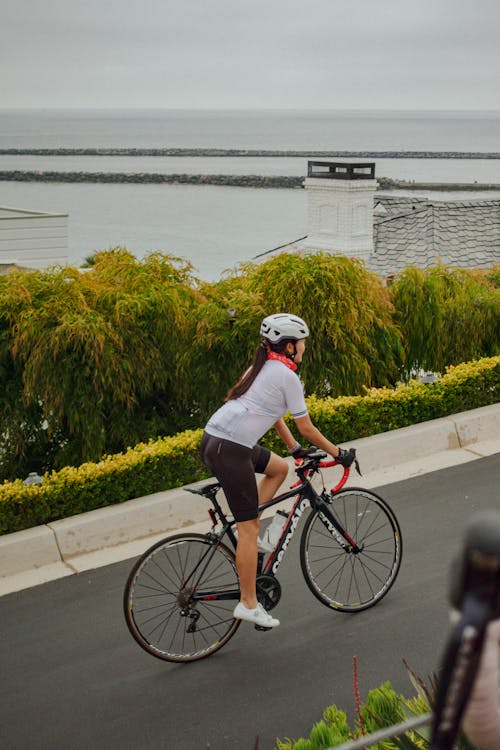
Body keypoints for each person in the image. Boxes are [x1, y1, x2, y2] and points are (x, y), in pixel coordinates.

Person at [200, 313, 356, 629]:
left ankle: (253, 531)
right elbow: (307, 427)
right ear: (288, 346)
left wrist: (293, 449)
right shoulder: (286, 377)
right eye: (301, 343)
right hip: (230, 448)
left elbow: (273, 414)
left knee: (279, 469)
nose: (304, 348)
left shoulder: (262, 368)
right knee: (247, 529)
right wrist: (338, 453)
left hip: (217, 440)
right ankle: (248, 603)